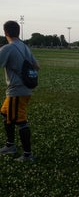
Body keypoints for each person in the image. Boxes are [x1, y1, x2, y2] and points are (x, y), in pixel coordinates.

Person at [0, 20, 40, 161]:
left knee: (21, 121)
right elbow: (37, 66)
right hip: (25, 89)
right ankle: (10, 145)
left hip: (16, 91)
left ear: (6, 33)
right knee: (5, 112)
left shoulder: (7, 48)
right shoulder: (24, 47)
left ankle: (27, 154)